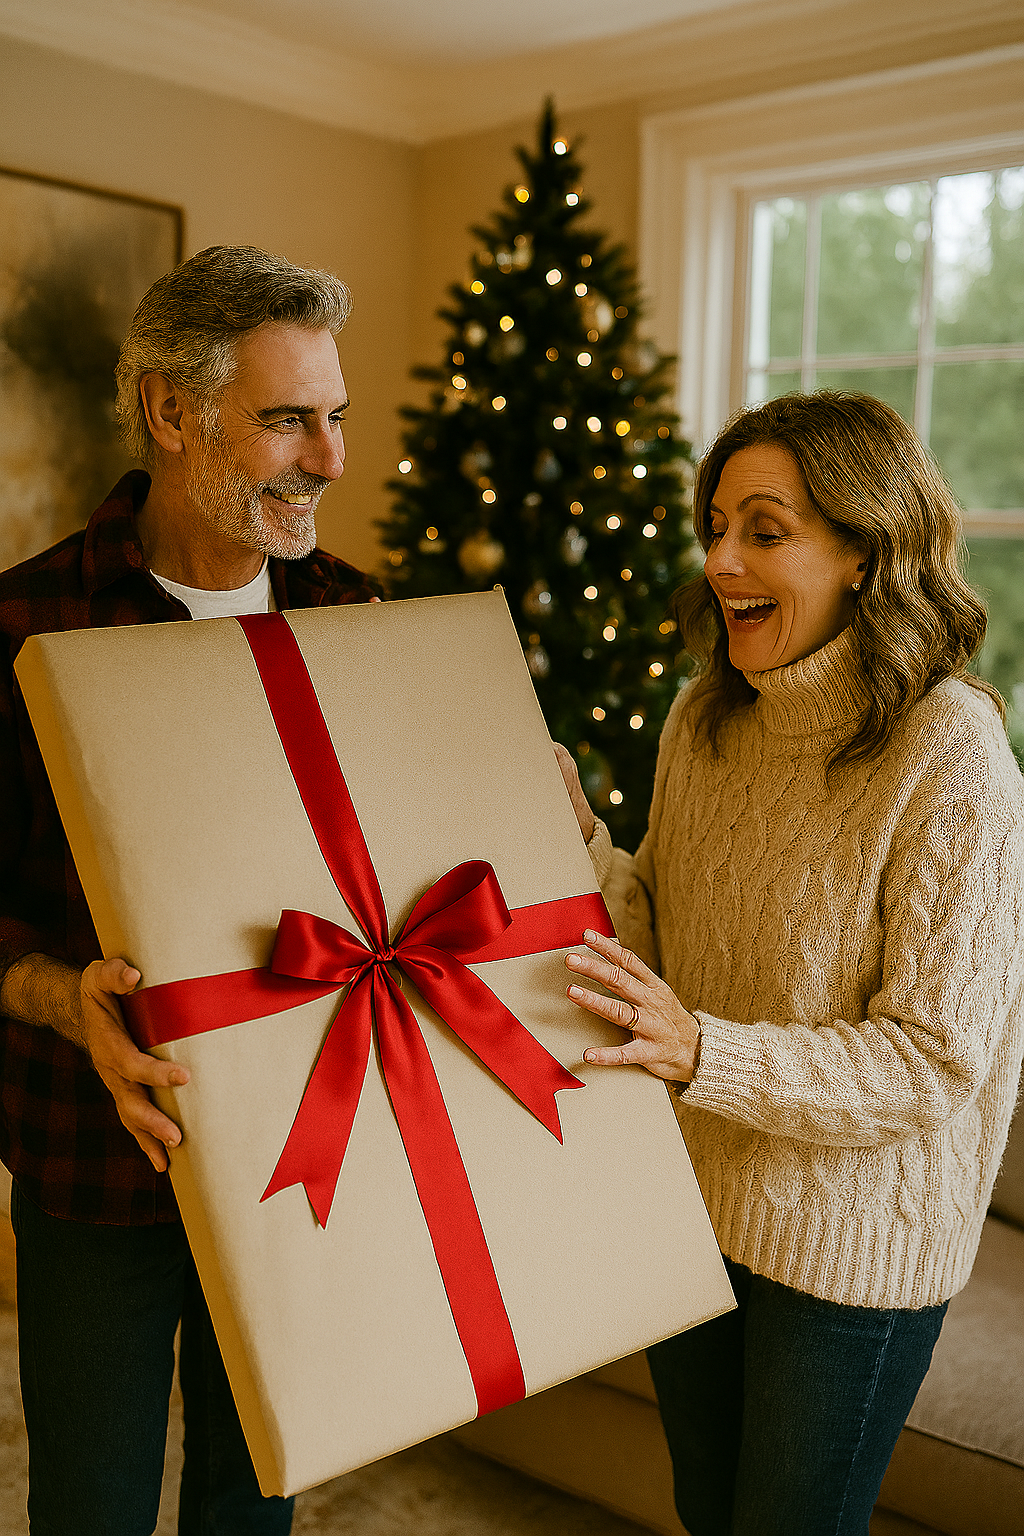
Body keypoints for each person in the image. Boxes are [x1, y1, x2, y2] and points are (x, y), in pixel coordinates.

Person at [556, 391, 1024, 1536]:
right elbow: (661, 938)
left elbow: (931, 1060)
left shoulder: (950, 750)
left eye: (764, 530)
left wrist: (706, 1051)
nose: (720, 559)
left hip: (852, 1252)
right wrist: (576, 846)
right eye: (714, 524)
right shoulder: (703, 718)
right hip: (691, 1206)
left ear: (866, 551)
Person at [0, 245, 379, 1534]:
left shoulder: (360, 625)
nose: (328, 458)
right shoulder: (28, 626)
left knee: (253, 1502)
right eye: (287, 419)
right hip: (94, 1160)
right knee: (91, 1508)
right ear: (171, 412)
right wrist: (59, 995)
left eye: (333, 416)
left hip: (300, 1155)